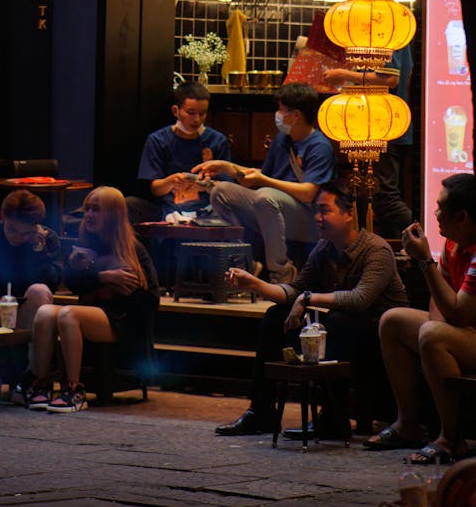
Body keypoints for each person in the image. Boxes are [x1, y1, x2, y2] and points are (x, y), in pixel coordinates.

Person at [215, 180, 408, 438]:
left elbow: (359, 300)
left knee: (338, 323)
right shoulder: (324, 249)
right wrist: (254, 283)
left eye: (325, 210)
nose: (317, 217)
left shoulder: (376, 250)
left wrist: (307, 298)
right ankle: (261, 412)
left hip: (382, 337)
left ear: (348, 213)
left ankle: (332, 419)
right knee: (275, 317)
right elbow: (294, 290)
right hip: (347, 328)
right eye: (316, 210)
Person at [363, 174, 476, 465]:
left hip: (470, 333)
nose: (435, 214)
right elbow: (442, 304)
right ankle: (408, 424)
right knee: (393, 321)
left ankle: (450, 439)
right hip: (465, 334)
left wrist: (424, 261)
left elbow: (460, 311)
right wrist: (435, 329)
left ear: (462, 216)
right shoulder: (453, 245)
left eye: (440, 208)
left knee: (432, 334)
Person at [25, 186, 160, 413]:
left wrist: (107, 288)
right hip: (94, 312)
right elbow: (73, 282)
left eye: (96, 210)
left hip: (124, 319)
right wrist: (103, 278)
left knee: (69, 314)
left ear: (113, 215)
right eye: (87, 209)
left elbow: (149, 299)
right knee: (45, 312)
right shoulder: (88, 243)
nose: (88, 215)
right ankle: (42, 383)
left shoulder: (132, 248)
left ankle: (74, 389)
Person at [194, 83, 336, 283]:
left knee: (265, 197)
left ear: (295, 115)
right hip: (272, 207)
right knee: (221, 191)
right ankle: (244, 262)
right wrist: (226, 167)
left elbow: (308, 193)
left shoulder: (319, 146)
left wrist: (263, 180)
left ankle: (283, 272)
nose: (277, 115)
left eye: (281, 110)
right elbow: (262, 178)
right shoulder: (282, 140)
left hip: (309, 219)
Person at [324, 0, 414, 236]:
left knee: (384, 197)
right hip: (378, 120)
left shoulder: (383, 18)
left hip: (385, 124)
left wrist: (344, 74)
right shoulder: (394, 16)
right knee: (367, 194)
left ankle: (426, 241)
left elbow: (390, 78)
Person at [0, 189, 63, 402]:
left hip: (26, 309)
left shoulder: (45, 239)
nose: (18, 238)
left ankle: (32, 376)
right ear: (3, 217)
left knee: (39, 291)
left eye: (26, 233)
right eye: (13, 230)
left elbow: (53, 282)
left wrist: (38, 249)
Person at [127, 82, 231, 223]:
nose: (197, 119)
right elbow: (154, 188)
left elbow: (228, 188)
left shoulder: (217, 141)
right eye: (190, 113)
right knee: (129, 205)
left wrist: (205, 186)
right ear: (176, 111)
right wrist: (171, 181)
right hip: (167, 209)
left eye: (202, 113)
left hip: (207, 210)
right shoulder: (158, 140)